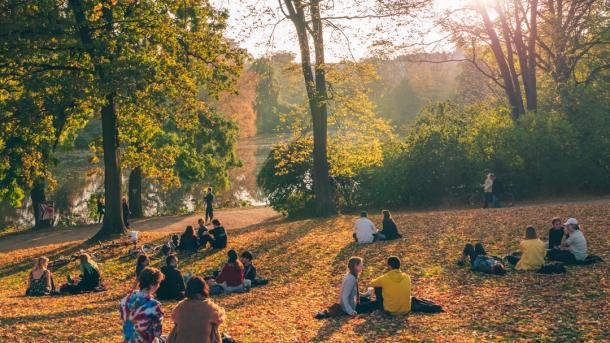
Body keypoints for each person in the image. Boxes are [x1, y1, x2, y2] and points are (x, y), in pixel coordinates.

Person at [167, 276, 227, 343]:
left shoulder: (181, 306)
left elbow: (173, 318)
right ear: (204, 288)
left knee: (177, 326)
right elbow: (220, 319)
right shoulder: (209, 306)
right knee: (214, 327)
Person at [120, 267, 165, 343]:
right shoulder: (154, 305)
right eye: (158, 283)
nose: (159, 286)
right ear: (152, 285)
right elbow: (157, 333)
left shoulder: (124, 301)